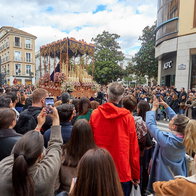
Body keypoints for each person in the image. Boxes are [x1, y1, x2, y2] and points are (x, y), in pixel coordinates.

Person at [90, 82, 140, 196]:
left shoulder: (95, 114)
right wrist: (136, 174)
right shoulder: (128, 117)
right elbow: (133, 149)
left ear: (107, 96)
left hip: (100, 168)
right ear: (121, 97)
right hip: (122, 170)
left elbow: (90, 142)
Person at [0, 106, 63, 196]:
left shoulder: (3, 168)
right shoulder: (45, 175)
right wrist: (56, 119)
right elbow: (55, 145)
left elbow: (19, 151)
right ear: (40, 156)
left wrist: (38, 126)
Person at [146, 96, 191, 193]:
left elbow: (150, 125)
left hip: (164, 178)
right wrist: (166, 106)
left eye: (171, 120)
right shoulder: (186, 137)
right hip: (178, 175)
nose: (170, 119)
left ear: (174, 127)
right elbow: (179, 121)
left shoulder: (167, 141)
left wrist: (154, 108)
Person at [56, 119, 96, 194]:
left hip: (65, 191)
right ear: (90, 134)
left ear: (73, 134)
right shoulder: (96, 155)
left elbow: (56, 180)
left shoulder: (62, 152)